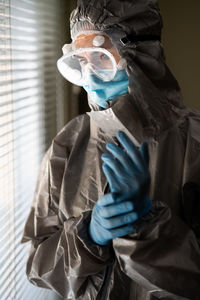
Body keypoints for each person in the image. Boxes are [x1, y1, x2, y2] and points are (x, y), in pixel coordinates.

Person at [21, 0, 200, 299]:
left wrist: (146, 223)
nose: (90, 73)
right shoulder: (69, 143)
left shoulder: (193, 141)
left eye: (101, 57)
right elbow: (38, 264)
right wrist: (87, 236)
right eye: (83, 59)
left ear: (143, 55)